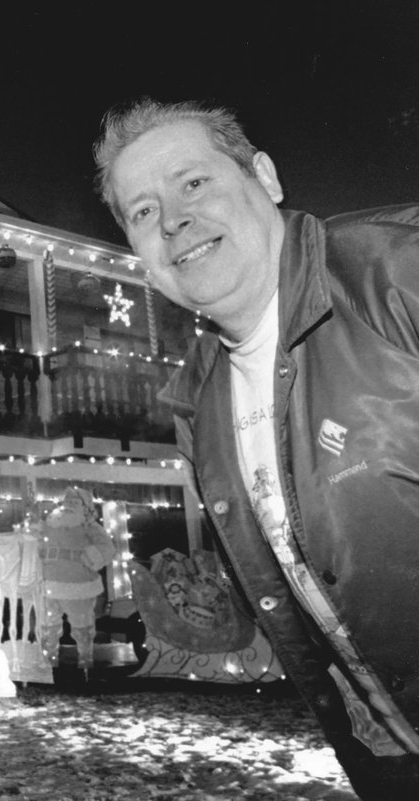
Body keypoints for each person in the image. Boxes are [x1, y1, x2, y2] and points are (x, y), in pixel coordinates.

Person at [93, 97, 419, 798]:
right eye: (143, 211)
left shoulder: (397, 275)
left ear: (264, 177)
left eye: (194, 182)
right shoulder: (198, 405)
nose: (173, 218)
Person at [36, 487, 114, 672]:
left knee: (82, 626)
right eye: (67, 501)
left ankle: (85, 662)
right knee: (48, 626)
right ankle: (49, 662)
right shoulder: (48, 525)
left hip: (79, 585)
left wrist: (92, 556)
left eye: (74, 502)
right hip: (49, 584)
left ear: (85, 507)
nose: (69, 505)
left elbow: (107, 548)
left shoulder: (90, 527)